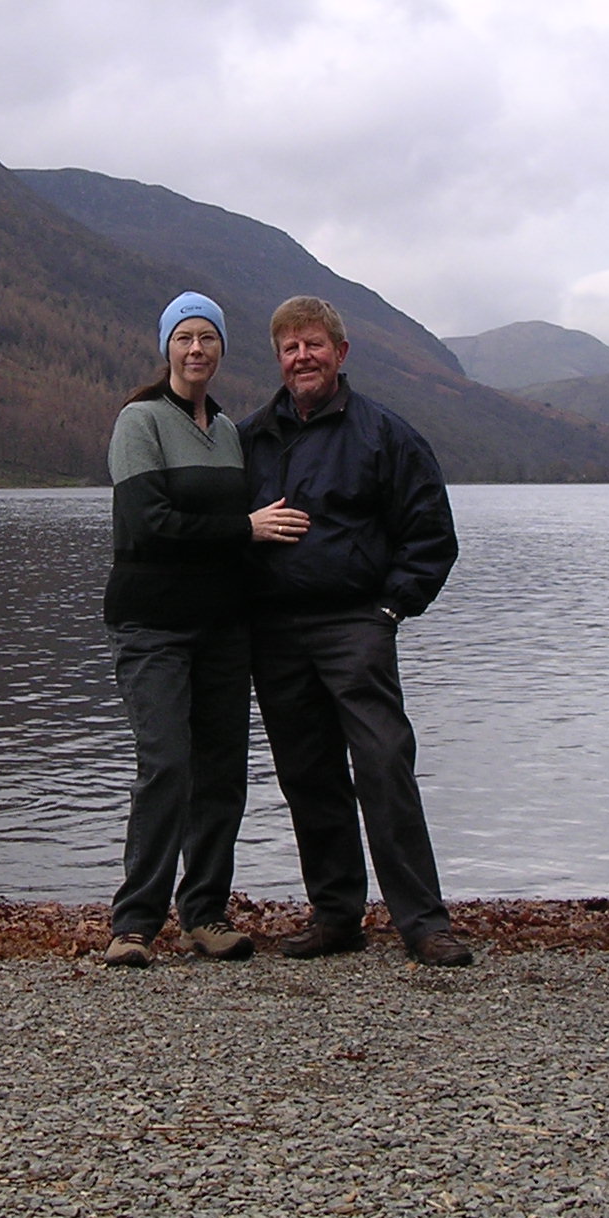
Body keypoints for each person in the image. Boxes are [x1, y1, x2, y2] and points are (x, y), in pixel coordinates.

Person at [239, 295, 472, 967]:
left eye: (313, 345)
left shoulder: (386, 436)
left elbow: (431, 536)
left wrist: (392, 610)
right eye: (289, 347)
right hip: (277, 633)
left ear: (341, 355)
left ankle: (423, 923)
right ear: (279, 360)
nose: (301, 357)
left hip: (356, 625)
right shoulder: (254, 437)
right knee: (308, 776)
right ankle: (336, 914)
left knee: (383, 764)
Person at [102, 290, 309, 968]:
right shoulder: (140, 421)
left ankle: (205, 914)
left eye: (208, 338)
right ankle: (133, 924)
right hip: (152, 626)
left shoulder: (227, 433)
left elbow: (240, 537)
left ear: (221, 349)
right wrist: (243, 528)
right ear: (167, 347)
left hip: (222, 630)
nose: (197, 349)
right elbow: (148, 525)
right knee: (166, 765)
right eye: (185, 337)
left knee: (222, 775)